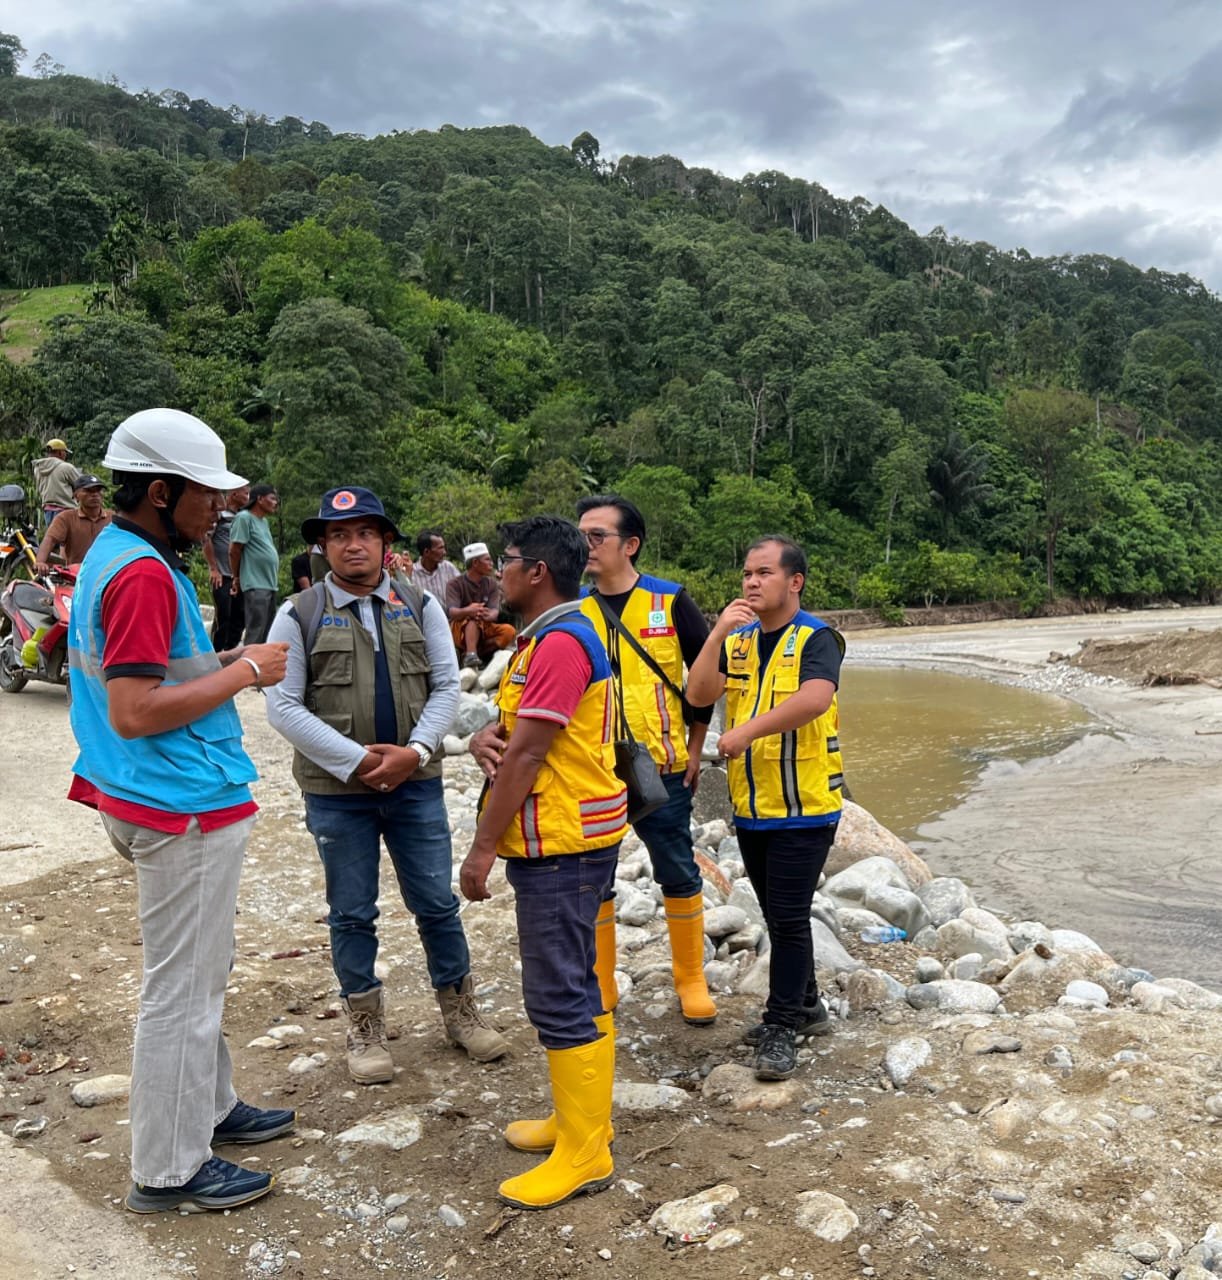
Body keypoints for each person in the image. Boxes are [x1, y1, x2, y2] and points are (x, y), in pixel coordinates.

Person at [65, 408, 293, 1214]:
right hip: (177, 800)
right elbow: (135, 708)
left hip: (144, 789)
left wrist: (225, 659)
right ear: (161, 491)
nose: (220, 508)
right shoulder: (142, 574)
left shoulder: (119, 553)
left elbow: (155, 670)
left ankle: (211, 1106)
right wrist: (248, 674)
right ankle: (168, 1168)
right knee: (184, 989)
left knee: (203, 967)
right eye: (207, 493)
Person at [265, 486, 507, 1084]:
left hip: (415, 784)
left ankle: (461, 1012)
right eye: (339, 535)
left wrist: (415, 753)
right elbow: (283, 706)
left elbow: (445, 688)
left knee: (436, 903)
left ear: (384, 543)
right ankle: (365, 1026)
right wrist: (357, 761)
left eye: (365, 534)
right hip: (335, 793)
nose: (353, 545)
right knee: (351, 912)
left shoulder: (420, 605)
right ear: (323, 546)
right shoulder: (297, 614)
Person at [460, 516, 626, 1211]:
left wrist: (481, 848)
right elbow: (519, 734)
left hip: (562, 846)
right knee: (576, 983)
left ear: (537, 572)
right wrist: (482, 739)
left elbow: (529, 755)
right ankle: (581, 1121)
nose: (499, 571)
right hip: (567, 839)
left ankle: (585, 1151)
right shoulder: (549, 637)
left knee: (558, 992)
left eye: (507, 560)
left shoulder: (560, 642)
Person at [687, 534, 845, 1083]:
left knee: (789, 916)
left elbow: (815, 699)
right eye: (747, 574)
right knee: (778, 916)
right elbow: (699, 694)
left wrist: (748, 731)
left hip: (806, 806)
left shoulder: (817, 638)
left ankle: (781, 1025)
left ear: (794, 582)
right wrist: (716, 633)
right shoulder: (739, 641)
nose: (751, 582)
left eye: (764, 573)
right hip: (753, 805)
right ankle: (809, 1008)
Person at [576, 494, 717, 1026]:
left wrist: (696, 748)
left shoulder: (670, 600)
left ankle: (691, 978)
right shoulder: (575, 609)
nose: (586, 545)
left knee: (677, 868)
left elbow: (706, 679)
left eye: (597, 536)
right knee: (596, 875)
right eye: (582, 536)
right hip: (594, 771)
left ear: (630, 544)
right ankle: (602, 979)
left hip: (664, 766)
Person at [446, 540, 515, 669]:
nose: (491, 563)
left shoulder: (491, 583)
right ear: (475, 563)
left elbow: (494, 611)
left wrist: (488, 615)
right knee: (473, 619)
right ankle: (471, 655)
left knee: (508, 631)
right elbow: (452, 613)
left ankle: (475, 654)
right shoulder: (454, 584)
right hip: (459, 628)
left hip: (484, 625)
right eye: (487, 560)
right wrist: (469, 611)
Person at [229, 484, 280, 645]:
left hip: (270, 583)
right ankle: (250, 660)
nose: (275, 503)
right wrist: (236, 577)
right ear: (260, 499)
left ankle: (263, 661)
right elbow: (234, 550)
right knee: (256, 631)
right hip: (255, 583)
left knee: (268, 632)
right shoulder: (244, 518)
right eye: (272, 498)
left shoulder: (263, 522)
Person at [202, 484, 249, 651]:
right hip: (222, 574)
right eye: (246, 493)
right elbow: (206, 539)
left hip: (239, 576)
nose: (248, 497)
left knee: (240, 617)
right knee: (224, 617)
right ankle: (215, 653)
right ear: (234, 494)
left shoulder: (243, 517)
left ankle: (230, 652)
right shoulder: (220, 515)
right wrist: (213, 568)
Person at [34, 472, 112, 573]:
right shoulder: (66, 518)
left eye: (98, 490)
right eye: (88, 491)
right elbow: (50, 539)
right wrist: (40, 562)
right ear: (76, 495)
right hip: (77, 574)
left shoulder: (112, 517)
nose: (95, 494)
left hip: (108, 573)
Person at [32, 438, 77, 528]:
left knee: (54, 535)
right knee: (68, 536)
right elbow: (81, 484)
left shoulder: (38, 468)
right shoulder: (66, 467)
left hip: (48, 510)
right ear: (60, 453)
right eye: (65, 452)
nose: (66, 455)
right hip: (66, 510)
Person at [413, 530, 459, 602]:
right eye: (440, 548)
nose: (444, 552)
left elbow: (462, 590)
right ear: (426, 552)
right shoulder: (412, 573)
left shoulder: (448, 568)